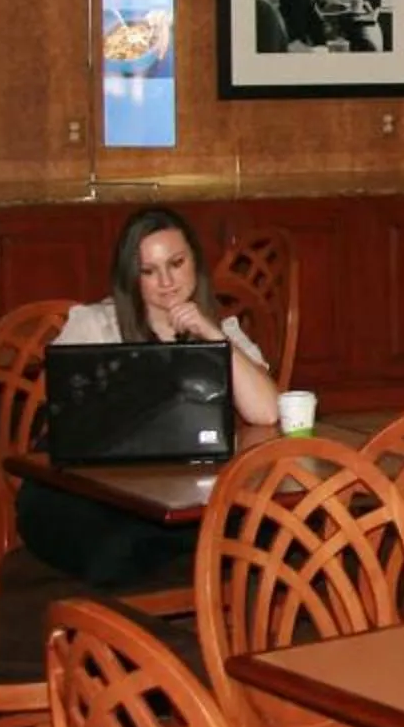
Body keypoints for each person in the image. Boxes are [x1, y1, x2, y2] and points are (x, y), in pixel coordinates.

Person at [16, 209, 282, 590]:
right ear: (132, 276)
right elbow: (59, 420)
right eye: (149, 270)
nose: (167, 282)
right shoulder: (94, 324)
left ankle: (179, 588)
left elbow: (266, 410)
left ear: (195, 262)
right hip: (94, 491)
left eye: (176, 263)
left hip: (181, 490)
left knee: (270, 526)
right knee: (115, 546)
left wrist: (211, 337)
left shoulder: (221, 331)